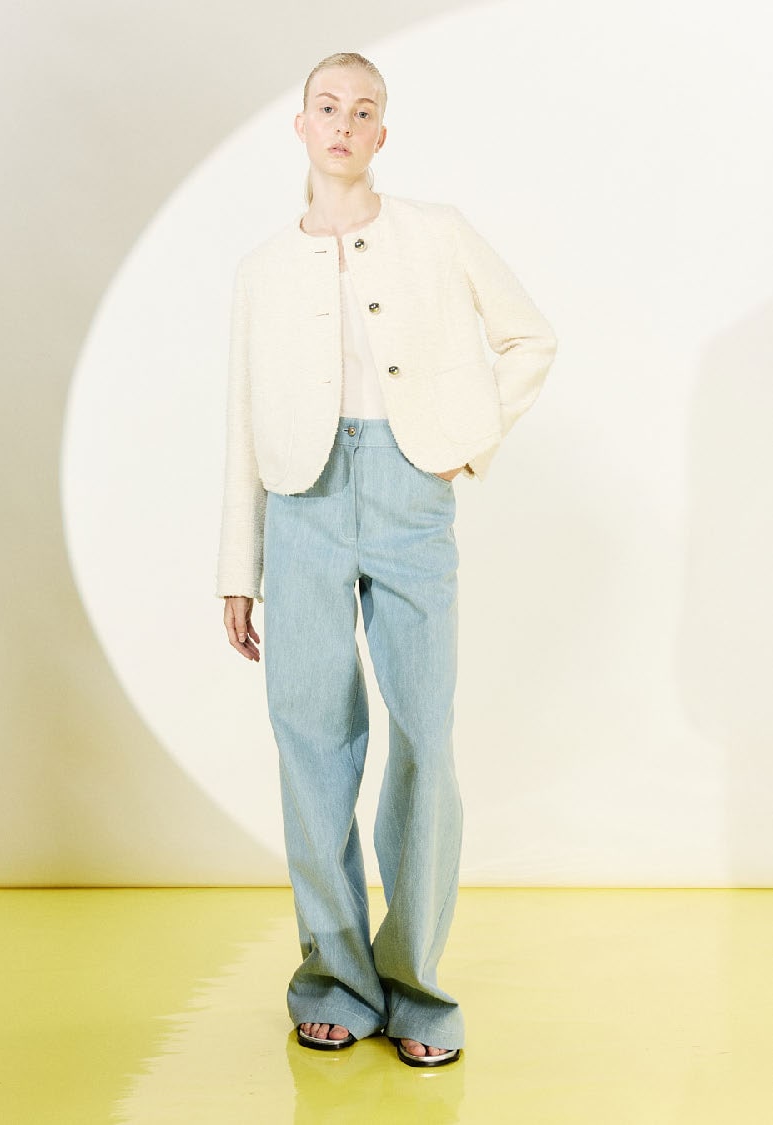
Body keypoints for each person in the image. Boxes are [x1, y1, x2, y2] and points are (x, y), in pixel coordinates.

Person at [216, 51, 557, 1068]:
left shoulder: (437, 231)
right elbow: (242, 420)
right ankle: (334, 981)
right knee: (311, 745)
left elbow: (529, 339)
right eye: (327, 107)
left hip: (412, 497)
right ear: (301, 124)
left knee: (423, 741)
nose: (343, 123)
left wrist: (463, 443)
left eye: (362, 111)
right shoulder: (261, 269)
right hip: (302, 505)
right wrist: (238, 567)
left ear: (381, 133)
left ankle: (416, 990)